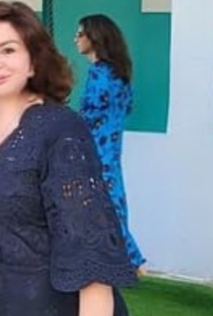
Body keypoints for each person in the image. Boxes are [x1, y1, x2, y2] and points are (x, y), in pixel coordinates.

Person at [0, 1, 137, 316]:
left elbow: (92, 253)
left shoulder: (59, 129)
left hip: (56, 304)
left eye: (8, 50)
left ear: (33, 62)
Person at [75, 14, 145, 271]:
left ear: (95, 38)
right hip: (111, 151)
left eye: (80, 34)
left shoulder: (99, 74)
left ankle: (132, 260)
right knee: (113, 205)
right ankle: (128, 260)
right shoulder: (119, 75)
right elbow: (125, 109)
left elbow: (88, 116)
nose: (75, 39)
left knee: (99, 210)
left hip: (93, 152)